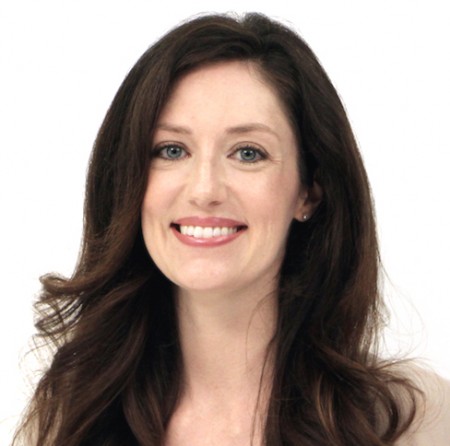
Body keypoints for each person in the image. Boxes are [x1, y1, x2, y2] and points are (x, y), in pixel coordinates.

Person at [13, 12, 450, 446]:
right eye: (172, 150)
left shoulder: (413, 420)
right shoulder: (69, 419)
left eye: (247, 153)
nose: (204, 190)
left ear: (309, 191)